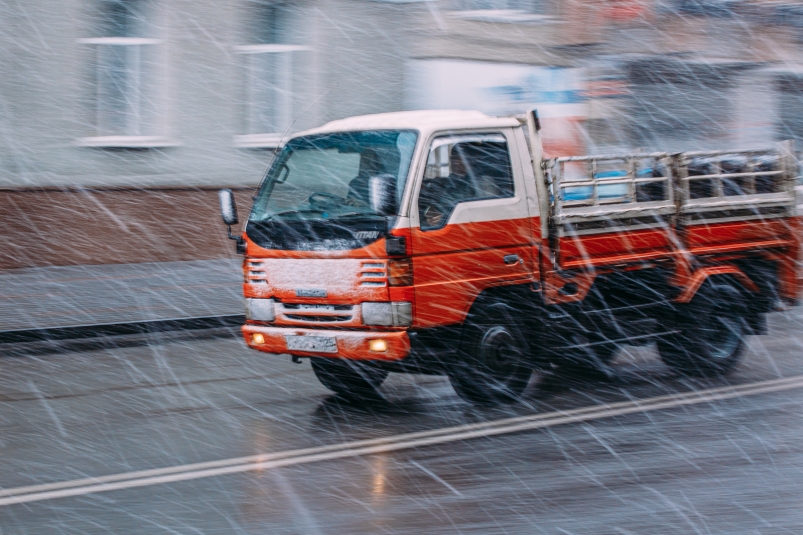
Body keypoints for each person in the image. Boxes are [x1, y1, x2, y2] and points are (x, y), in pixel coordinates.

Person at [419, 146, 473, 229]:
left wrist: (444, 219)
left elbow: (475, 212)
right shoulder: (442, 183)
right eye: (454, 158)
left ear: (469, 161)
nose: (457, 162)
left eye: (461, 158)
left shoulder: (476, 184)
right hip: (438, 229)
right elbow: (429, 205)